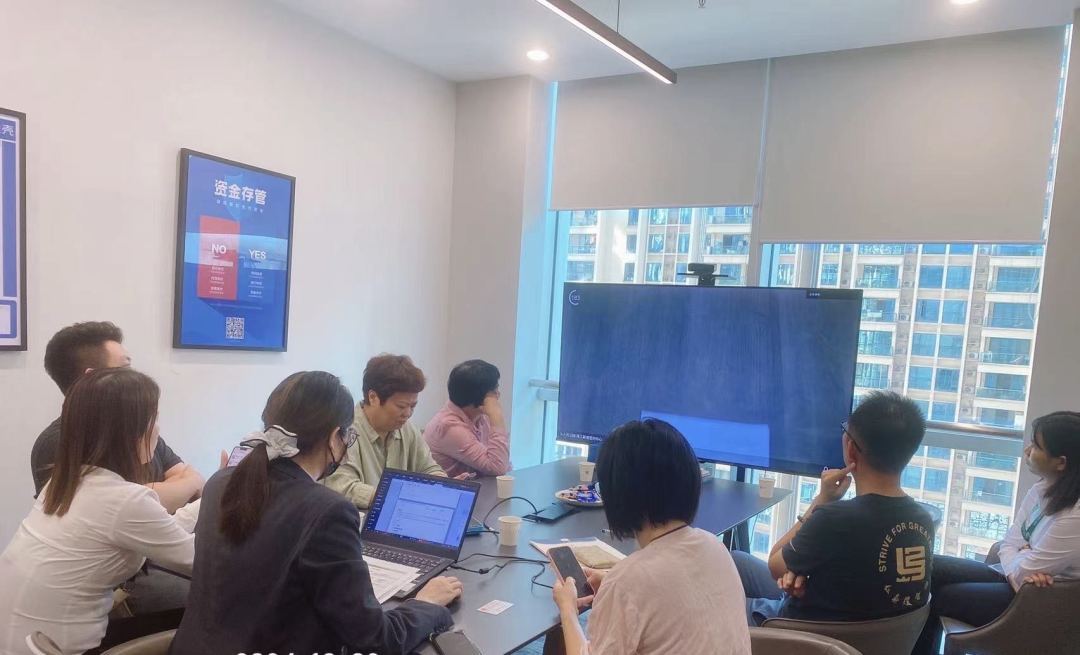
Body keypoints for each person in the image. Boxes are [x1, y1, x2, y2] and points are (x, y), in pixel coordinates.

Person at [171, 371, 460, 655]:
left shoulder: (220, 483)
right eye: (348, 437)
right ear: (335, 437)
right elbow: (376, 638)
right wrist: (426, 605)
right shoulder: (327, 511)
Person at [0, 368, 195, 655]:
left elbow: (161, 529)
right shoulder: (123, 500)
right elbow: (201, 561)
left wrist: (212, 497)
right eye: (154, 419)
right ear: (130, 432)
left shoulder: (66, 482)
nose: (158, 429)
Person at [548, 419, 751, 655]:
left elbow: (642, 587)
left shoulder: (627, 583)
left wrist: (568, 609)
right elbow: (671, 593)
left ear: (621, 494)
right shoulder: (715, 547)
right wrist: (615, 584)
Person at [732, 391, 934, 623]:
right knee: (737, 560)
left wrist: (823, 499)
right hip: (859, 633)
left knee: (722, 586)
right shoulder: (923, 519)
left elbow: (775, 564)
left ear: (851, 449)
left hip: (796, 632)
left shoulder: (834, 519)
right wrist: (804, 575)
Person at [914, 411, 1080, 655]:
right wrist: (1024, 556)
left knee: (941, 595)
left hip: (1042, 602)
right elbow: (1009, 543)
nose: (1028, 451)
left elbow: (1023, 573)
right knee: (928, 567)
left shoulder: (1075, 515)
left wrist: (1023, 557)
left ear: (1061, 462)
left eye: (1036, 446)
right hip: (1014, 579)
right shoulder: (1042, 488)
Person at [32, 321, 204, 512]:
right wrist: (190, 483)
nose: (134, 376)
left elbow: (180, 474)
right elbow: (122, 505)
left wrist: (176, 486)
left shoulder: (137, 426)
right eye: (125, 368)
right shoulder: (59, 442)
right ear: (94, 379)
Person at [324, 354, 446, 509]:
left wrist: (443, 484)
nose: (408, 413)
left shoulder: (407, 428)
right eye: (401, 406)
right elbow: (341, 487)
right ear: (373, 397)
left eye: (413, 406)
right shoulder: (346, 432)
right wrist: (393, 496)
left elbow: (428, 468)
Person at [424, 359, 511, 478]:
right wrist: (497, 419)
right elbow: (497, 467)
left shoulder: (480, 416)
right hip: (449, 488)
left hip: (479, 485)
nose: (498, 394)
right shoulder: (449, 426)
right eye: (494, 390)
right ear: (478, 396)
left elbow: (505, 464)